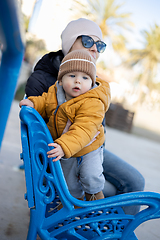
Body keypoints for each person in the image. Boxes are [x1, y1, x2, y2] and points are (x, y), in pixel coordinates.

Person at [24, 18, 145, 214]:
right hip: (63, 153)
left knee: (136, 180)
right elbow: (37, 131)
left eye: (100, 45)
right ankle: (94, 224)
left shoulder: (93, 84)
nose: (95, 49)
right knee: (107, 186)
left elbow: (93, 123)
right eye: (88, 41)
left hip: (90, 145)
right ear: (70, 42)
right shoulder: (45, 79)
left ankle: (114, 231)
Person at [20, 49, 111, 201]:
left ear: (92, 82)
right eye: (72, 75)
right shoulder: (55, 92)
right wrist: (33, 103)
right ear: (61, 80)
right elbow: (44, 101)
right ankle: (72, 203)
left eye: (85, 77)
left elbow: (84, 129)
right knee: (67, 181)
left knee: (90, 174)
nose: (78, 81)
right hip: (66, 145)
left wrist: (63, 146)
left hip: (89, 145)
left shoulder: (93, 102)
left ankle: (95, 197)